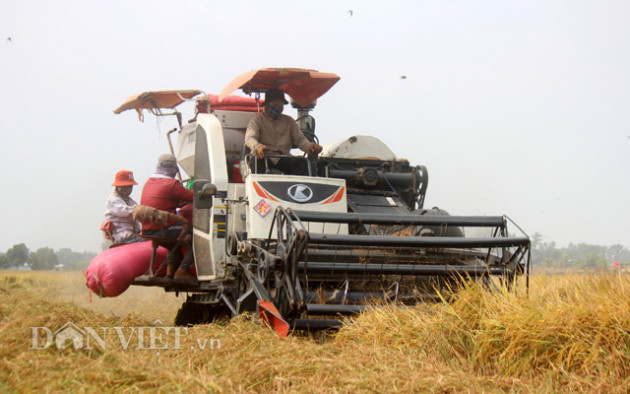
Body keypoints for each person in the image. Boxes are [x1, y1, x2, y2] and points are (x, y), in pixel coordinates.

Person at [139, 154, 196, 281]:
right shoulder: (170, 184)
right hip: (163, 228)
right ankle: (182, 270)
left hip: (148, 228)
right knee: (197, 237)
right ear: (173, 169)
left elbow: (168, 200)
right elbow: (192, 196)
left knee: (173, 241)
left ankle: (170, 272)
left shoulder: (149, 182)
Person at [244, 88, 323, 175]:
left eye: (280, 105)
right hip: (264, 157)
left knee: (302, 163)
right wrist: (257, 146)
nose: (278, 108)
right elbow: (250, 138)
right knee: (257, 161)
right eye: (275, 105)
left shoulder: (289, 121)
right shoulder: (257, 120)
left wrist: (310, 146)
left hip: (282, 158)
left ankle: (298, 187)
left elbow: (299, 139)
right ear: (267, 105)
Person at [103, 170, 142, 244]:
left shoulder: (131, 201)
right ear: (117, 187)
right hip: (123, 236)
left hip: (135, 234)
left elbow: (140, 217)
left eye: (129, 186)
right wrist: (142, 210)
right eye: (123, 186)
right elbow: (125, 211)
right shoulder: (112, 200)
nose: (126, 189)